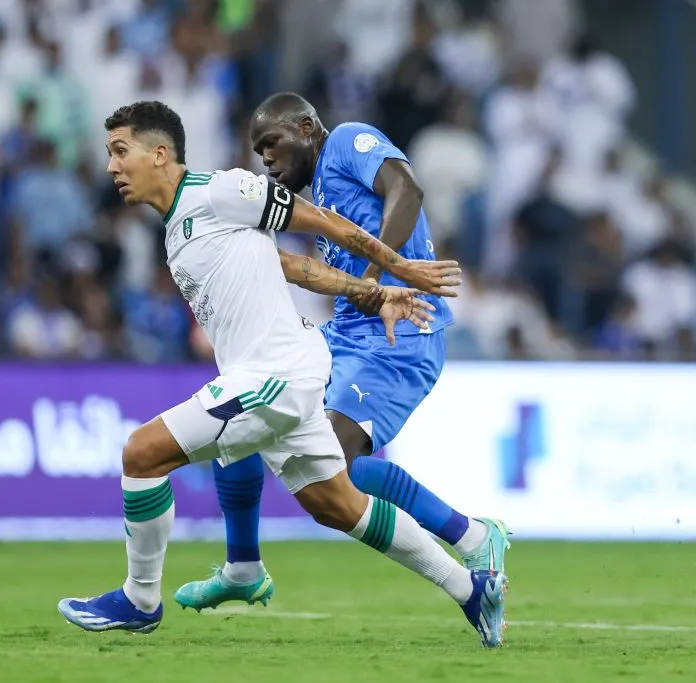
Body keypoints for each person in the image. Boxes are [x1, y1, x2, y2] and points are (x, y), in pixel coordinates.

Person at [57, 101, 507, 648]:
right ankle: (469, 588)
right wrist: (377, 291)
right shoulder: (179, 231)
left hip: (276, 374)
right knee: (339, 505)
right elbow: (298, 267)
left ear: (159, 153)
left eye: (120, 151)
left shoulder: (221, 190)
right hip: (284, 371)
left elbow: (317, 220)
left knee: (141, 453)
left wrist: (397, 266)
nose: (111, 166)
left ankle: (140, 599)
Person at [176, 93, 511, 618]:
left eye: (273, 143)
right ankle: (242, 568)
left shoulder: (349, 143)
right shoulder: (306, 202)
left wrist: (375, 284)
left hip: (401, 334)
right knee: (238, 418)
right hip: (344, 335)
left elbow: (408, 187)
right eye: (258, 150)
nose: (266, 158)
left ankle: (472, 537)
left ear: (308, 128)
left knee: (337, 472)